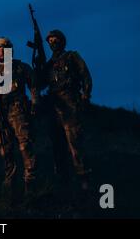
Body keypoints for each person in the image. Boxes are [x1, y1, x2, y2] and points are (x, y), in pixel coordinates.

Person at [0, 37, 38, 194]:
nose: (0, 52)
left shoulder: (20, 67)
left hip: (19, 114)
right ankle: (10, 188)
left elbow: (34, 85)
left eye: (3, 49)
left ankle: (30, 185)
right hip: (1, 116)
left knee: (26, 147)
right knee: (6, 151)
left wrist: (34, 104)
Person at [42, 30, 92, 190]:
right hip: (54, 106)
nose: (53, 42)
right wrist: (38, 64)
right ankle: (63, 181)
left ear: (62, 41)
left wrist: (85, 96)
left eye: (56, 39)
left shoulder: (72, 57)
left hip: (70, 103)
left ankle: (83, 178)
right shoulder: (48, 64)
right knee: (57, 145)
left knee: (75, 142)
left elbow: (85, 75)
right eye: (50, 40)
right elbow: (41, 83)